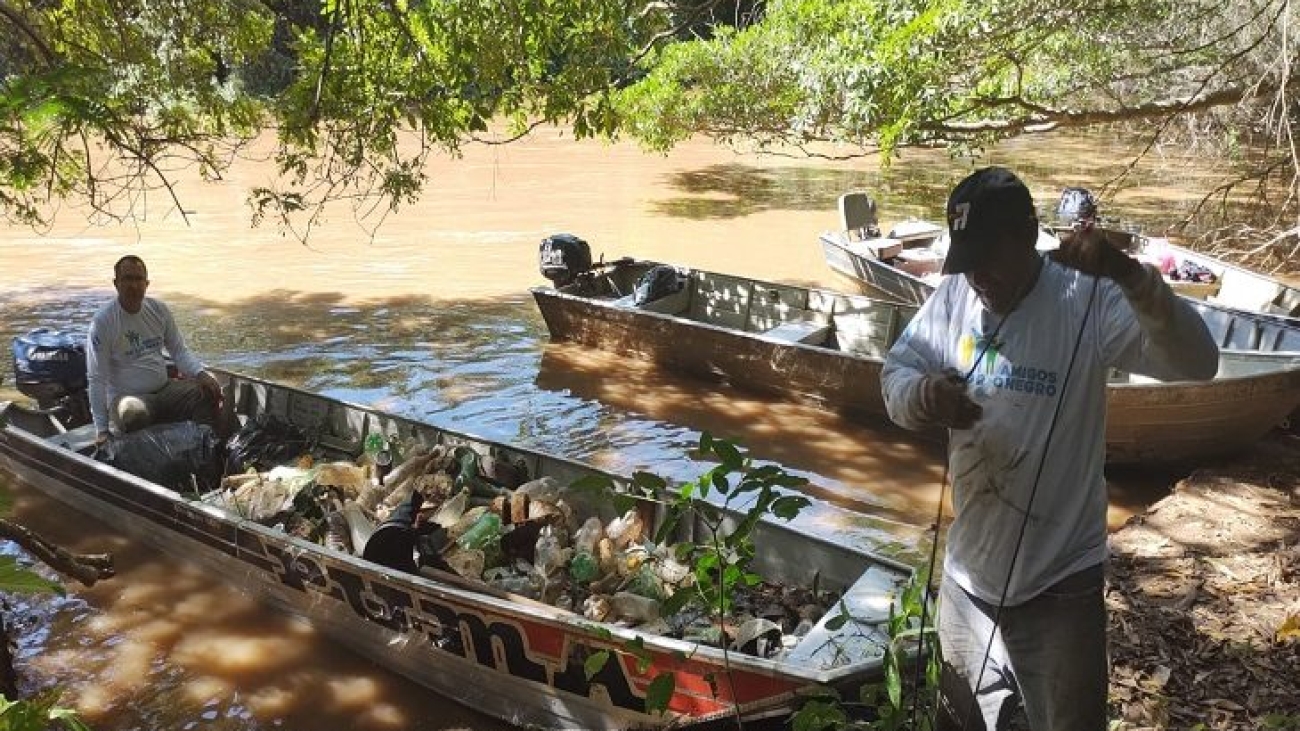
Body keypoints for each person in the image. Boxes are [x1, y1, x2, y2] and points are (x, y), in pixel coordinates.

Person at [880, 167, 1219, 731]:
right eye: (966, 260)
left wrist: (1130, 276)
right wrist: (926, 397)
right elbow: (895, 377)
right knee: (956, 721)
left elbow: (1198, 362)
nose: (977, 276)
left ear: (1027, 236)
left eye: (989, 257)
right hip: (969, 578)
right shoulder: (957, 294)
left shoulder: (1084, 298)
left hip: (1061, 584)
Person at [87, 255, 223, 445]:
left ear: (147, 284)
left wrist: (200, 374)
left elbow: (178, 351)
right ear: (116, 283)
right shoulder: (104, 321)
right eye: (127, 279)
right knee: (133, 413)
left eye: (138, 279)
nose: (133, 285)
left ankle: (205, 449)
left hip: (164, 390)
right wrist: (101, 429)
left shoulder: (159, 310)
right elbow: (96, 378)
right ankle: (148, 463)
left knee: (206, 393)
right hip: (127, 398)